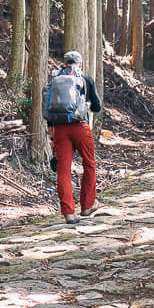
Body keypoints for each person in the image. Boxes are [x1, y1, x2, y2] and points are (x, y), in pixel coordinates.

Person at [42, 48, 102, 223]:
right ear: (80, 64)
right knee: (89, 164)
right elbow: (97, 107)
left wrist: (52, 135)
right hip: (80, 127)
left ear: (64, 64)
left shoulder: (54, 80)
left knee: (63, 170)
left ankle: (68, 212)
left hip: (60, 130)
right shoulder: (85, 79)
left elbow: (49, 110)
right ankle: (87, 206)